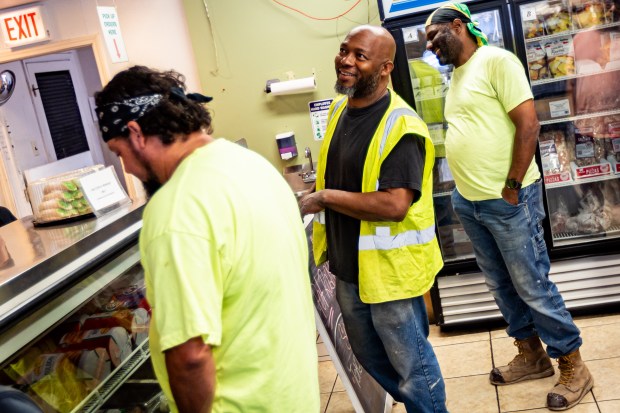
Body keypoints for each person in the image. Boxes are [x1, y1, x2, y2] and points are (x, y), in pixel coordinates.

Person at [94, 66, 320, 413]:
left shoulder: (175, 207)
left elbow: (191, 357)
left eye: (119, 152)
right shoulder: (254, 166)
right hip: (293, 397)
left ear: (137, 133)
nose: (127, 168)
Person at [425, 3, 593, 411]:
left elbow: (528, 124)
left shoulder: (496, 60)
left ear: (459, 25)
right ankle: (531, 354)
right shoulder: (458, 75)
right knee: (501, 286)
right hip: (470, 201)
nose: (430, 45)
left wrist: (513, 186)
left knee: (532, 284)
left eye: (434, 35)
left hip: (508, 199)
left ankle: (573, 363)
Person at [300, 25, 447, 413]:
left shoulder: (402, 127)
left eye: (359, 56)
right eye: (344, 50)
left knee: (413, 366)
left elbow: (394, 205)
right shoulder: (338, 109)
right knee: (369, 355)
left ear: (385, 68)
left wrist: (325, 198)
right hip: (349, 267)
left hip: (390, 273)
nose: (346, 61)